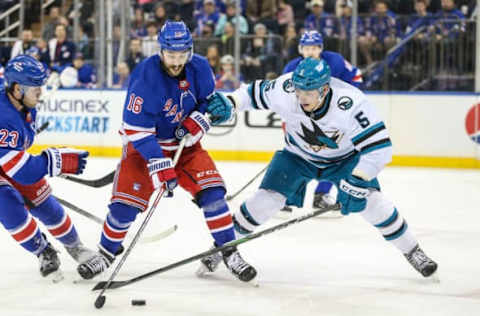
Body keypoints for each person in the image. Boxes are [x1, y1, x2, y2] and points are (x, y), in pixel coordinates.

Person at [204, 58, 438, 279]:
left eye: (308, 93)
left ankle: (413, 250)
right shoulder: (286, 88)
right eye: (298, 91)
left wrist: (359, 178)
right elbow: (252, 93)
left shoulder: (352, 104)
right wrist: (231, 102)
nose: (301, 97)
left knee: (374, 204)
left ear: (324, 90)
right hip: (297, 156)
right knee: (265, 202)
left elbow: (380, 149)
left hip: (344, 161)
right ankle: (222, 249)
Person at [76, 21, 257, 283]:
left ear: (189, 50)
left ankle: (228, 252)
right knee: (124, 208)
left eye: (181, 54)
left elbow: (209, 102)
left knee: (214, 196)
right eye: (171, 55)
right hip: (145, 149)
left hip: (187, 150)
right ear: (161, 50)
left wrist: (201, 119)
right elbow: (135, 129)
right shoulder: (144, 77)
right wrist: (159, 163)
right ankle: (105, 253)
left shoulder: (200, 67)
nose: (176, 61)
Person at [0, 55, 93, 279]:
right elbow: (23, 171)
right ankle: (44, 251)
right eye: (35, 87)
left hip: (7, 158)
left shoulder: (24, 106)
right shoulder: (4, 117)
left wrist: (48, 161)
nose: (40, 92)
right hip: (9, 162)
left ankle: (76, 247)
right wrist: (54, 161)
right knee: (8, 205)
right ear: (17, 89)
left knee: (43, 202)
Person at [283, 30, 363, 211]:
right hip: (301, 120)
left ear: (321, 48)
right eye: (306, 48)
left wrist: (347, 102)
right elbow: (284, 95)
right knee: (297, 158)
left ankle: (321, 195)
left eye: (314, 47)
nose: (310, 51)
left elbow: (356, 76)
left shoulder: (334, 61)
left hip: (330, 119)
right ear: (300, 49)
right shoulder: (291, 68)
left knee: (334, 156)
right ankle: (286, 198)